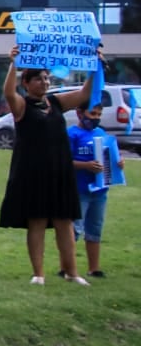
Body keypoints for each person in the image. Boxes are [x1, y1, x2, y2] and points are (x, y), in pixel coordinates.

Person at [0, 45, 99, 286]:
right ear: (27, 82)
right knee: (38, 221)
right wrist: (13, 63)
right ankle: (39, 273)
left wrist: (94, 66)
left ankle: (72, 272)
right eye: (39, 79)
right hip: (33, 172)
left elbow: (84, 94)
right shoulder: (22, 106)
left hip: (60, 171)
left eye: (46, 78)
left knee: (65, 221)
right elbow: (9, 93)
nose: (44, 83)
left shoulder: (55, 102)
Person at [67, 103, 122, 279]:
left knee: (95, 229)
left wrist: (118, 164)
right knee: (74, 229)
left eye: (99, 114)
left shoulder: (102, 134)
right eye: (92, 113)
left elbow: (109, 158)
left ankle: (94, 268)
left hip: (99, 191)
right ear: (79, 113)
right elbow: (63, 161)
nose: (95, 117)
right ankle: (67, 267)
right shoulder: (72, 134)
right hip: (79, 189)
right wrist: (85, 165)